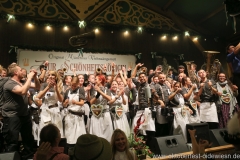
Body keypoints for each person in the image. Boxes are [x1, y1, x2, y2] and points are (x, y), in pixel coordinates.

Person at [2, 63, 40, 158]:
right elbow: (22, 91)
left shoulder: (22, 82)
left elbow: (37, 87)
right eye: (20, 70)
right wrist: (29, 77)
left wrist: (34, 77)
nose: (22, 72)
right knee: (12, 141)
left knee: (28, 140)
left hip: (24, 115)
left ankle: (29, 156)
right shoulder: (9, 83)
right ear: (15, 72)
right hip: (12, 116)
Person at [36, 70, 64, 144]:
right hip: (46, 111)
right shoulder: (44, 85)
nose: (50, 76)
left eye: (52, 75)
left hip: (55, 111)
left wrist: (56, 89)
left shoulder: (59, 85)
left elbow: (61, 100)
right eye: (49, 75)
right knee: (45, 131)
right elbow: (39, 96)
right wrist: (48, 86)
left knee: (57, 131)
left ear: (55, 77)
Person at [62, 76, 86, 146]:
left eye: (75, 86)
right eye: (72, 85)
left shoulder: (81, 90)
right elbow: (64, 105)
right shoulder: (68, 91)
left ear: (78, 84)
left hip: (77, 116)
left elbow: (82, 103)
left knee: (78, 134)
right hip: (69, 116)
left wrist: (76, 102)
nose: (73, 87)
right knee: (69, 135)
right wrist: (65, 103)